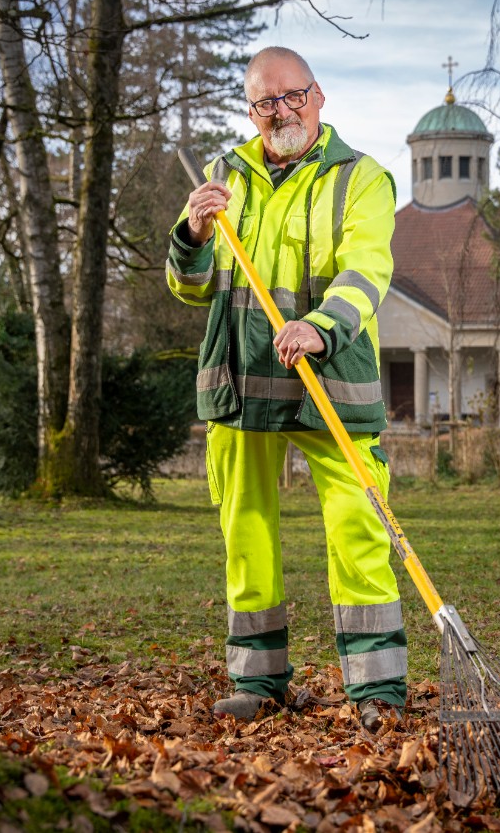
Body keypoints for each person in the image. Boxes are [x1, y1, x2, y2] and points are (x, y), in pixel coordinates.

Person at [166, 47, 406, 732]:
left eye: (291, 96)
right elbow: (189, 288)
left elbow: (367, 273)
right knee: (246, 531)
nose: (280, 112)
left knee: (358, 526)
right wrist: (192, 233)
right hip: (241, 383)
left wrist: (320, 327)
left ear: (318, 96)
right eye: (265, 102)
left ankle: (377, 692)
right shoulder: (222, 176)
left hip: (329, 378)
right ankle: (257, 679)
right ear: (251, 111)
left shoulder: (362, 178)